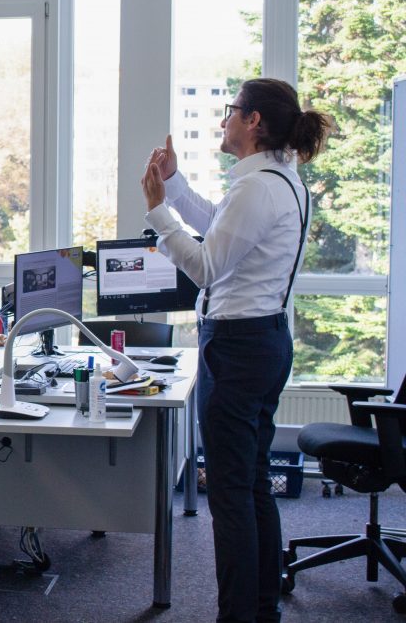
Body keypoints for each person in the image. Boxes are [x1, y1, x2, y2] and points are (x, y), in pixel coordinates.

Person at [141, 78, 331, 623]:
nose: (223, 120)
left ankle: (237, 615)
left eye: (230, 111)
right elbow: (220, 229)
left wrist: (158, 211)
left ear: (252, 122)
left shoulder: (257, 188)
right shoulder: (279, 181)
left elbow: (205, 267)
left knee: (229, 491)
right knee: (251, 484)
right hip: (265, 341)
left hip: (238, 348)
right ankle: (259, 608)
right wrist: (174, 186)